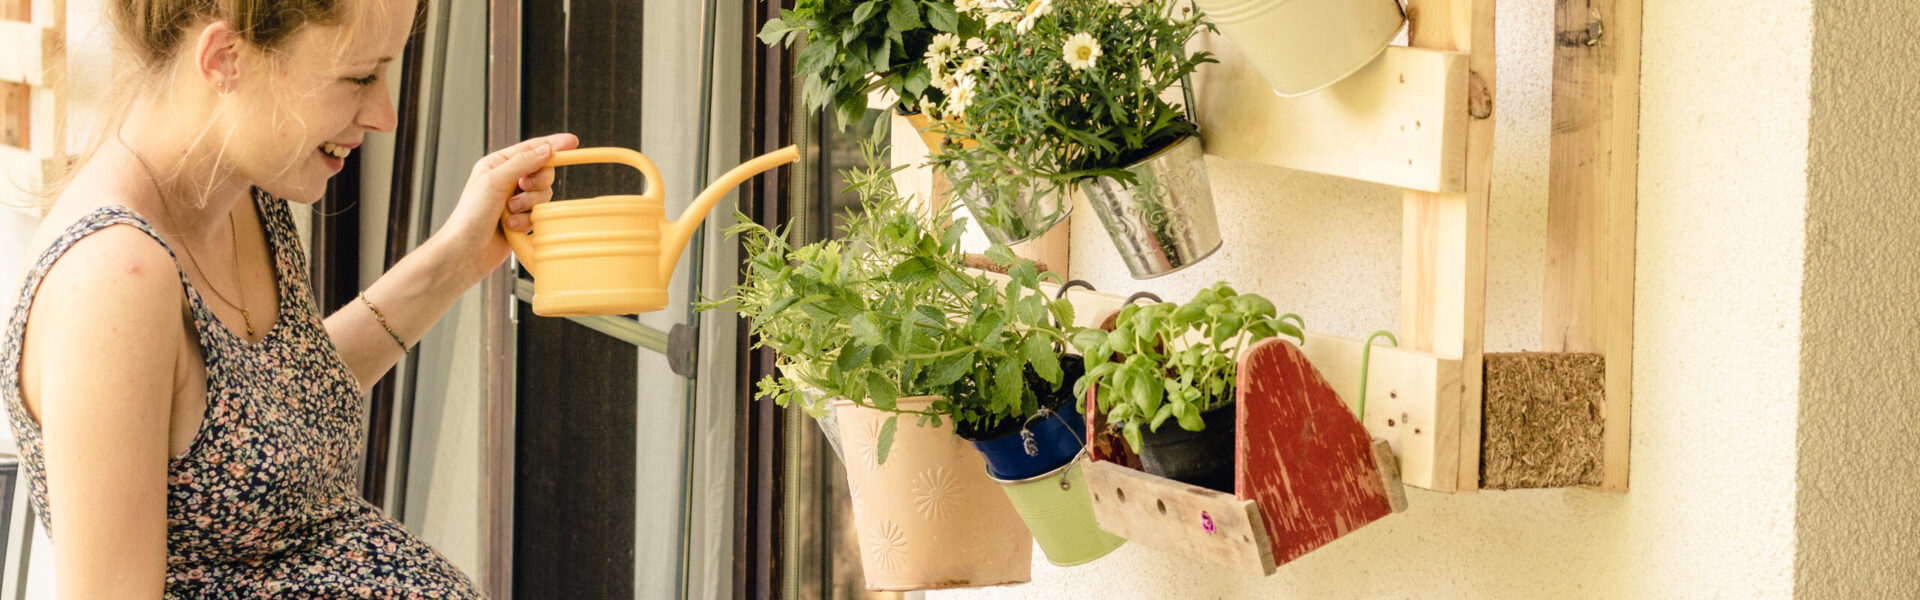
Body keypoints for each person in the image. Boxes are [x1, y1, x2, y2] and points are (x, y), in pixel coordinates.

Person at [0, 0, 576, 596]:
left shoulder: (247, 188)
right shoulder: (113, 281)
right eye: (359, 77)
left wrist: (459, 257)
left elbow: (275, 407)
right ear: (225, 60)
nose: (385, 116)